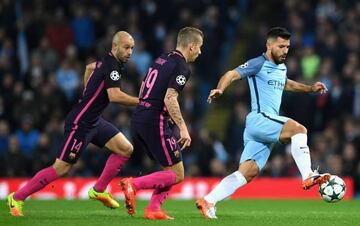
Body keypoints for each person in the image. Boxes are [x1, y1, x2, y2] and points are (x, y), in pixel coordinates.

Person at [196, 27, 330, 219]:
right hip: (259, 118)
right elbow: (231, 74)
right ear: (269, 45)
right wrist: (220, 89)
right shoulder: (258, 63)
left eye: (288, 47)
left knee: (247, 172)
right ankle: (308, 175)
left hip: (261, 128)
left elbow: (285, 83)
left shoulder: (281, 67)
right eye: (281, 46)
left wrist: (309, 88)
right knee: (299, 129)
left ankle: (208, 200)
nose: (285, 50)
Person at [7, 31, 139, 217]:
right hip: (81, 123)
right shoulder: (112, 66)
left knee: (125, 149)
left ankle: (99, 190)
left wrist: (88, 94)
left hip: (94, 121)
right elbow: (115, 96)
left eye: (132, 48)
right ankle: (17, 197)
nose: (130, 52)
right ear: (114, 46)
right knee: (61, 168)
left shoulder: (106, 62)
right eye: (126, 47)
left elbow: (88, 67)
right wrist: (143, 101)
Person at [120, 27, 203, 220]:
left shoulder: (160, 59)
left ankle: (153, 209)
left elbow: (142, 87)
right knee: (178, 174)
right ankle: (134, 184)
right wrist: (183, 127)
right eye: (199, 47)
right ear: (191, 46)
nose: (200, 52)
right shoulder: (182, 67)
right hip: (154, 120)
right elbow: (170, 98)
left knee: (170, 170)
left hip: (139, 117)